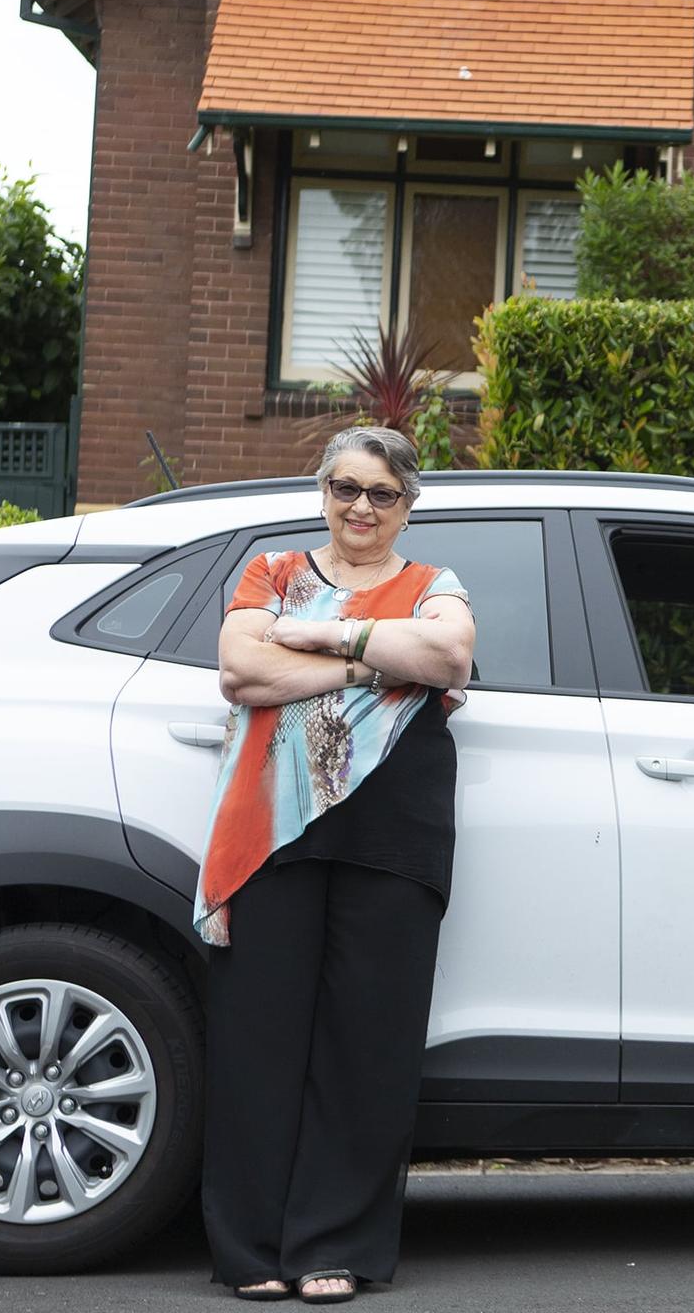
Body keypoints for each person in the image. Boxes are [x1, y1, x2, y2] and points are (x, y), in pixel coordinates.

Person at [195, 426, 476, 1303]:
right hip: (273, 832)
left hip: (392, 832)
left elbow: (448, 656)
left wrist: (316, 641)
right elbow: (241, 666)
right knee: (257, 1039)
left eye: (382, 494)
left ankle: (334, 1246)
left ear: (408, 504)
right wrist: (377, 660)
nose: (361, 507)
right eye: (345, 488)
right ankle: (251, 1250)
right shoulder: (269, 571)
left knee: (370, 1045)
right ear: (322, 489)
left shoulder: (435, 586)